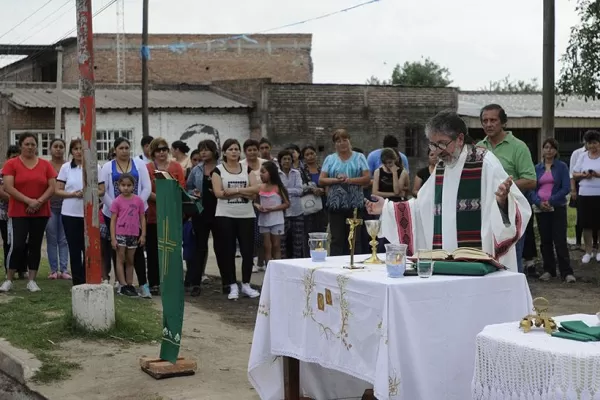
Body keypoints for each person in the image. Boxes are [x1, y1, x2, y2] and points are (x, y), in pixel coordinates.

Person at [366, 111, 531, 272]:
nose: (437, 150)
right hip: (445, 260)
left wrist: (503, 202)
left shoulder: (485, 163)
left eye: (442, 143)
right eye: (432, 144)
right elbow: (421, 206)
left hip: (479, 263)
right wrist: (388, 208)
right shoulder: (442, 167)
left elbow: (518, 208)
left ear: (459, 139)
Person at [477, 104, 536, 273]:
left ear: (503, 122)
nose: (488, 124)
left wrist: (505, 187)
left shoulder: (518, 147)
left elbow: (531, 180)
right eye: (485, 121)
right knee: (487, 256)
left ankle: (515, 296)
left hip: (510, 212)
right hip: (484, 212)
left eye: (493, 120)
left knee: (511, 258)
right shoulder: (479, 148)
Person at [0, 133, 58, 292]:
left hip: (41, 211)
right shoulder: (11, 164)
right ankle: (9, 278)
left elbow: (52, 187)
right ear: (20, 146)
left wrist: (38, 202)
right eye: (27, 144)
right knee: (17, 245)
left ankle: (32, 280)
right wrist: (29, 201)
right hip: (19, 211)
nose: (30, 147)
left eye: (33, 144)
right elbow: (8, 187)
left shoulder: (45, 165)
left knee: (35, 244)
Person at [99, 137, 151, 295]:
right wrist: (117, 208)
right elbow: (103, 191)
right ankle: (122, 284)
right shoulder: (108, 167)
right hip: (114, 214)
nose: (124, 151)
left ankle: (143, 284)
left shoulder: (139, 164)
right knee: (117, 249)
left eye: (127, 147)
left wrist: (135, 206)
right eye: (121, 148)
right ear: (115, 150)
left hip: (137, 213)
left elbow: (146, 187)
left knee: (137, 249)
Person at [212, 139, 261, 300]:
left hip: (246, 215)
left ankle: (246, 284)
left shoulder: (247, 170)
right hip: (225, 215)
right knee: (228, 251)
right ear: (224, 152)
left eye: (236, 149)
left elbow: (256, 190)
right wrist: (244, 193)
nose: (234, 152)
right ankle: (232, 284)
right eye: (230, 149)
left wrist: (235, 190)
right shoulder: (218, 171)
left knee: (247, 251)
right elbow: (219, 193)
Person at [56, 139, 103, 286]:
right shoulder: (66, 168)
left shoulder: (95, 167)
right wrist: (73, 194)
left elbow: (102, 189)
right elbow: (58, 190)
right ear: (71, 151)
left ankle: (88, 277)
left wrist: (89, 193)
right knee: (74, 248)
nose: (78, 152)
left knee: (88, 248)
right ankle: (77, 280)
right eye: (75, 149)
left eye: (81, 149)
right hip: (70, 214)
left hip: (89, 214)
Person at [528, 138, 574, 282]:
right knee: (545, 240)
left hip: (557, 207)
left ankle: (566, 272)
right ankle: (549, 270)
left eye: (552, 148)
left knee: (559, 240)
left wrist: (551, 200)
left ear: (556, 151)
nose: (549, 150)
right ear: (543, 149)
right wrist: (539, 202)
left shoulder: (562, 167)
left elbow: (566, 188)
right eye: (546, 147)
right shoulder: (536, 168)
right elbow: (531, 189)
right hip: (540, 208)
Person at [319, 129, 370, 256]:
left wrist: (350, 180)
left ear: (349, 141)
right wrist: (336, 180)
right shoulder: (330, 159)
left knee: (354, 239)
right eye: (338, 141)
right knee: (336, 239)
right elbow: (321, 180)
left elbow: (367, 178)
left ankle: (355, 264)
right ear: (335, 144)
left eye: (344, 140)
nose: (342, 143)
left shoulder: (359, 157)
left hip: (355, 204)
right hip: (336, 205)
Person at [145, 138, 186, 296]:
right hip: (153, 216)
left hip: (173, 214)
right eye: (158, 150)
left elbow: (181, 187)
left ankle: (172, 282)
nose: (161, 152)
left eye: (164, 149)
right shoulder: (148, 168)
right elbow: (146, 189)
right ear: (153, 152)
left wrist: (170, 199)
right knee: (154, 250)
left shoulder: (176, 167)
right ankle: (154, 283)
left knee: (172, 250)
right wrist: (163, 199)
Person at [110, 173, 147, 297]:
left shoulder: (138, 201)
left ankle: (130, 284)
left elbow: (142, 218)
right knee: (120, 258)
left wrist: (143, 235)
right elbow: (113, 220)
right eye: (123, 185)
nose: (126, 188)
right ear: (118, 186)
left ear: (133, 186)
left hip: (134, 234)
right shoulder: (116, 201)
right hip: (121, 233)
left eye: (129, 185)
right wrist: (113, 237)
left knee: (130, 260)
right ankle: (122, 284)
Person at [572, 130, 600, 264]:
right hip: (585, 194)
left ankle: (599, 250)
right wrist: (584, 174)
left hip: (599, 193)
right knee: (586, 224)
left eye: (595, 143)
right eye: (589, 143)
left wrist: (596, 174)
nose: (592, 146)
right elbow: (574, 174)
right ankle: (588, 251)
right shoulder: (582, 156)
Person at [0, 145, 27, 279]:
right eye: (13, 157)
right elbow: (2, 192)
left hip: (23, 211)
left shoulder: (25, 172)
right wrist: (21, 199)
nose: (15, 159)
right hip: (5, 213)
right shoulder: (3, 172)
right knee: (9, 242)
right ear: (8, 158)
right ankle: (9, 270)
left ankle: (22, 269)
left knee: (23, 242)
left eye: (18, 156)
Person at [256, 161, 289, 267]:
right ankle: (268, 268)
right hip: (264, 221)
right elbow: (255, 202)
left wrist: (273, 209)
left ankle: (278, 267)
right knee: (267, 246)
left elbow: (287, 204)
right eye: (260, 172)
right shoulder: (259, 187)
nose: (261, 174)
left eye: (263, 172)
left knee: (276, 245)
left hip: (277, 220)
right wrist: (258, 206)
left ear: (271, 173)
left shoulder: (278, 187)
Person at [46, 138, 70, 280]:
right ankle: (53, 270)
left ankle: (64, 269)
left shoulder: (68, 166)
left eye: (61, 146)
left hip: (66, 207)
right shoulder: (46, 165)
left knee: (64, 239)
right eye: (55, 146)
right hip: (49, 207)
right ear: (50, 149)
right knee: (51, 239)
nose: (58, 149)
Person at [570, 142, 597, 251]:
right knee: (581, 216)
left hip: (596, 187)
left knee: (596, 216)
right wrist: (573, 190)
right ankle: (578, 243)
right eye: (589, 142)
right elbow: (572, 173)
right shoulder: (577, 153)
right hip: (580, 186)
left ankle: (595, 243)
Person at [278, 150, 305, 259]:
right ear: (280, 161)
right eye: (284, 159)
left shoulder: (296, 173)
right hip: (282, 212)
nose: (287, 161)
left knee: (297, 242)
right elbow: (276, 191)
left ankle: (297, 263)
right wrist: (285, 191)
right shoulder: (277, 174)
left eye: (289, 159)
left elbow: (300, 190)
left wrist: (284, 190)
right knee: (282, 242)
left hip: (297, 211)